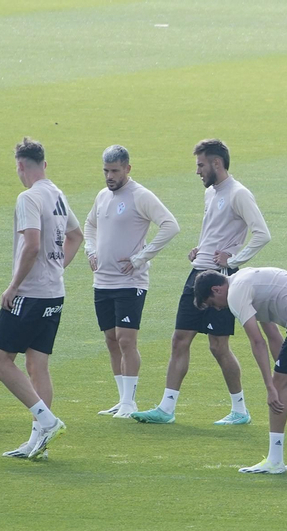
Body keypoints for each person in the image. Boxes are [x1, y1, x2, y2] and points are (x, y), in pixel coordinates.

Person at [131, 139, 269, 426]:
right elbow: (218, 231)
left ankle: (240, 410)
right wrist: (201, 247)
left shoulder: (239, 194)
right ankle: (166, 409)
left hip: (220, 280)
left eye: (201, 165)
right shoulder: (212, 194)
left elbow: (262, 233)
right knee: (179, 339)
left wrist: (232, 260)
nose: (198, 172)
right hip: (197, 273)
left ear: (216, 163)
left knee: (218, 346)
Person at [0, 137, 81, 460]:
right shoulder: (57, 194)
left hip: (30, 294)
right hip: (54, 292)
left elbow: (31, 245)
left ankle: (47, 421)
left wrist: (13, 286)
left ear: (20, 166)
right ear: (44, 164)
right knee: (37, 364)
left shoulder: (28, 198)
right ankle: (37, 439)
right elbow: (76, 236)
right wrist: (57, 267)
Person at [194, 268, 287, 474]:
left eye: (211, 303)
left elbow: (257, 342)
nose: (216, 309)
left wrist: (272, 386)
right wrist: (282, 378)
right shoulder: (249, 281)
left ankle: (275, 461)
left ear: (216, 290)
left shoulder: (235, 294)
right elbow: (272, 334)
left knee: (280, 388)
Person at [82, 144, 180, 418]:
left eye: (114, 171)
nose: (109, 176)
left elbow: (170, 225)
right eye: (106, 171)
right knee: (111, 339)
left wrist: (141, 258)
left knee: (126, 340)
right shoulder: (102, 196)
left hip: (130, 282)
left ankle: (129, 402)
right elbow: (89, 225)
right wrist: (90, 251)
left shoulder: (140, 196)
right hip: (102, 281)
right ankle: (122, 399)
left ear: (127, 168)